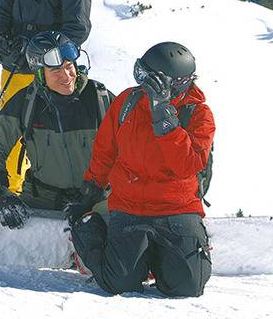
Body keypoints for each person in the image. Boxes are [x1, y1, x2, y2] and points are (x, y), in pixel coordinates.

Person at [67, 42, 215, 298]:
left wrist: (165, 121)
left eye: (149, 78)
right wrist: (91, 191)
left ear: (171, 83)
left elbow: (188, 165)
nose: (142, 82)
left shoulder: (198, 114)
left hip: (177, 208)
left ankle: (160, 256)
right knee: (118, 283)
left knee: (188, 287)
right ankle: (89, 230)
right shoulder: (128, 102)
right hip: (130, 207)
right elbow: (105, 151)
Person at [0, 0, 91, 193]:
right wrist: (1, 40)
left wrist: (44, 51)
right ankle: (11, 188)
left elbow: (77, 28)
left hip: (51, 71)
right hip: (15, 65)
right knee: (10, 125)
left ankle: (50, 188)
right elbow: (2, 11)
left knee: (45, 131)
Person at [0, 31, 112, 229]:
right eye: (56, 71)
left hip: (97, 199)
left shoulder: (100, 99)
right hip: (43, 201)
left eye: (69, 67)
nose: (66, 76)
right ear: (40, 74)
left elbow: (135, 147)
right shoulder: (26, 103)